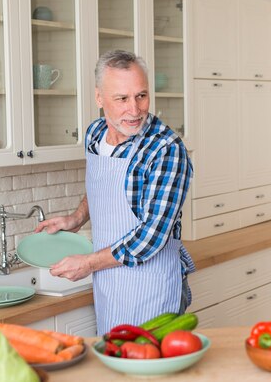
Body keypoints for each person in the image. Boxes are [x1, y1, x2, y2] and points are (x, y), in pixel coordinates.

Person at [35, 50, 194, 335]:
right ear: (99, 98)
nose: (134, 110)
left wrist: (88, 264)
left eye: (141, 96)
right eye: (121, 99)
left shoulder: (166, 149)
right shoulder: (95, 134)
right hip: (108, 281)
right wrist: (77, 217)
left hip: (153, 286)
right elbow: (99, 184)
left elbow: (152, 236)